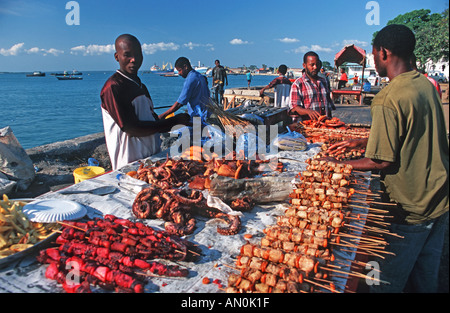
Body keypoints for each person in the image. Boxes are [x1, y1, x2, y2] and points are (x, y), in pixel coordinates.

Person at [324, 24, 449, 293]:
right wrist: (365, 140)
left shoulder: (387, 98)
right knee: (425, 279)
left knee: (386, 283)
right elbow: (414, 131)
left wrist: (336, 165)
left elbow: (382, 162)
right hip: (440, 197)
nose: (373, 60)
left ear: (384, 53)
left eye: (372, 54)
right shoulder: (425, 85)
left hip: (412, 208)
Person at [100, 34, 190, 170]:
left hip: (151, 159)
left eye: (138, 54)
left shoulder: (140, 86)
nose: (134, 59)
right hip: (130, 164)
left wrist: (177, 121)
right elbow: (131, 128)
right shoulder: (114, 87)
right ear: (117, 57)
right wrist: (173, 121)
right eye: (127, 55)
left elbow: (151, 120)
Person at [159, 57, 210, 126]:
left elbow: (180, 103)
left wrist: (163, 115)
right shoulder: (199, 76)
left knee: (196, 135)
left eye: (179, 70)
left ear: (185, 67)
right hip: (206, 114)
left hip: (198, 117)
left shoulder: (190, 79)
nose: (179, 73)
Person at [289, 51, 334, 121]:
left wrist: (331, 120)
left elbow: (328, 105)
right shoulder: (298, 84)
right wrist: (307, 111)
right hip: (307, 126)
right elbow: (294, 108)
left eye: (317, 64)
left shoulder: (323, 81)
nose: (315, 67)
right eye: (312, 65)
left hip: (324, 125)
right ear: (304, 65)